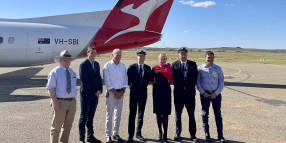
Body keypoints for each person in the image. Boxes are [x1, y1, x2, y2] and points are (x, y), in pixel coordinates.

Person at [46, 50, 77, 143]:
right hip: (60, 102)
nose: (67, 61)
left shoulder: (72, 72)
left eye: (68, 59)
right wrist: (55, 102)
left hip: (72, 102)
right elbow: (50, 88)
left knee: (68, 126)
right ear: (60, 60)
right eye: (64, 60)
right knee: (56, 127)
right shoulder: (55, 72)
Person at [197, 51, 226, 143]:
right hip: (204, 94)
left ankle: (220, 135)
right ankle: (207, 134)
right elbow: (197, 81)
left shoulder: (218, 68)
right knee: (205, 114)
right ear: (205, 58)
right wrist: (202, 92)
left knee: (218, 114)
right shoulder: (200, 68)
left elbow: (221, 81)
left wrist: (216, 93)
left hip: (216, 95)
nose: (210, 59)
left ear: (214, 58)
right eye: (208, 57)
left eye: (211, 57)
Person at [125, 49, 153, 143]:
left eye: (143, 56)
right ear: (137, 57)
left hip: (143, 94)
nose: (141, 57)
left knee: (141, 114)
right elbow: (127, 81)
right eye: (140, 56)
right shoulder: (131, 67)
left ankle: (138, 133)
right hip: (134, 94)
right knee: (132, 114)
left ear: (145, 57)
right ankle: (130, 136)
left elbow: (152, 80)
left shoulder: (148, 68)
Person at [172, 47, 198, 142]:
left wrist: (189, 87)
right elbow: (173, 78)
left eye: (184, 54)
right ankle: (178, 133)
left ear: (187, 54)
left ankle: (193, 135)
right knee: (178, 115)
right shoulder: (174, 65)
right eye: (181, 54)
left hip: (190, 95)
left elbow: (195, 78)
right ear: (178, 55)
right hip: (178, 95)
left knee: (191, 115)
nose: (183, 55)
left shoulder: (192, 64)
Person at [103, 49, 128, 143]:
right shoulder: (107, 66)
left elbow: (125, 79)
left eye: (120, 55)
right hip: (111, 93)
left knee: (118, 114)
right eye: (116, 55)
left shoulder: (122, 65)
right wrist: (115, 92)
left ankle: (115, 133)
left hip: (121, 93)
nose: (118, 56)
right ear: (112, 55)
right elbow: (107, 81)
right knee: (109, 114)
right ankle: (108, 135)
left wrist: (122, 92)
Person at [78, 47, 102, 143]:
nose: (93, 54)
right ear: (87, 53)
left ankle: (90, 136)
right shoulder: (83, 65)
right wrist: (94, 91)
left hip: (95, 95)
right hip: (86, 94)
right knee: (83, 116)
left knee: (91, 116)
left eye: (94, 53)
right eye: (91, 52)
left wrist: (100, 89)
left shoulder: (96, 64)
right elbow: (84, 80)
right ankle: (81, 138)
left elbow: (98, 78)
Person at [151, 53, 173, 143]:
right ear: (158, 59)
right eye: (161, 59)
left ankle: (165, 135)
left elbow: (171, 80)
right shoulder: (154, 68)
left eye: (164, 59)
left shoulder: (169, 68)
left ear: (166, 59)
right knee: (158, 113)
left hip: (166, 92)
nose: (162, 60)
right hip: (157, 92)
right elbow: (152, 81)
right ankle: (160, 132)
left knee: (165, 114)